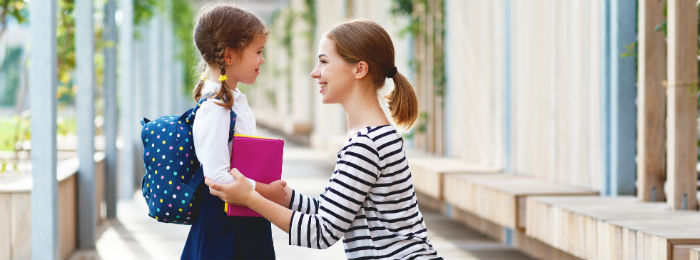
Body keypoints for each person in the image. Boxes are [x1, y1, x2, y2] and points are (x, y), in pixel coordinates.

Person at [206, 20, 443, 260]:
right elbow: (333, 211)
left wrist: (250, 198)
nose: (314, 72)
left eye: (324, 61)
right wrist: (287, 198)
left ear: (359, 69)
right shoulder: (376, 135)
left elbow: (321, 232)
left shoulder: (366, 145)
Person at [181, 4, 286, 260]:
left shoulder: (231, 100)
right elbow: (215, 176)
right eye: (258, 52)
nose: (262, 60)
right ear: (229, 56)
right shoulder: (215, 108)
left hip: (241, 214)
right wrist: (264, 191)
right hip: (225, 224)